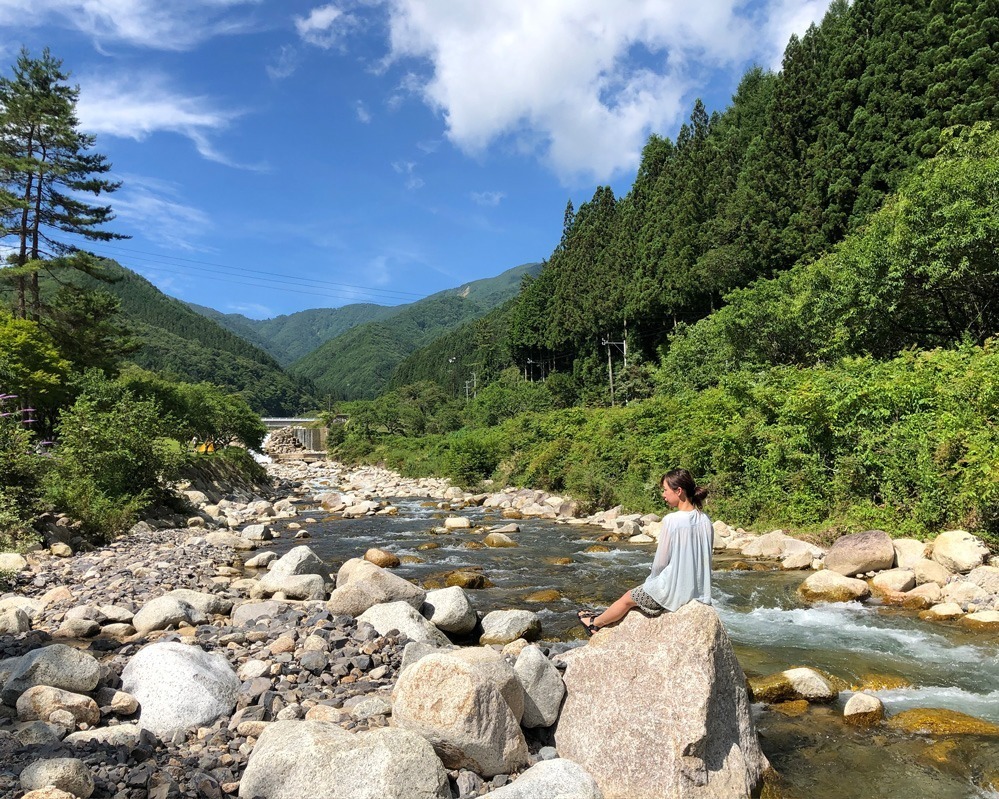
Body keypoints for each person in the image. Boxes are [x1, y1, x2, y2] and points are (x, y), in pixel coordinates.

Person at [577, 468, 713, 635]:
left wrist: (651, 582)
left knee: (628, 598)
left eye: (665, 490)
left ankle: (594, 624)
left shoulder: (672, 520)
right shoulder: (705, 519)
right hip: (698, 591)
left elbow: (661, 563)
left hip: (673, 591)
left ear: (679, 491)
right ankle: (598, 619)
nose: (663, 495)